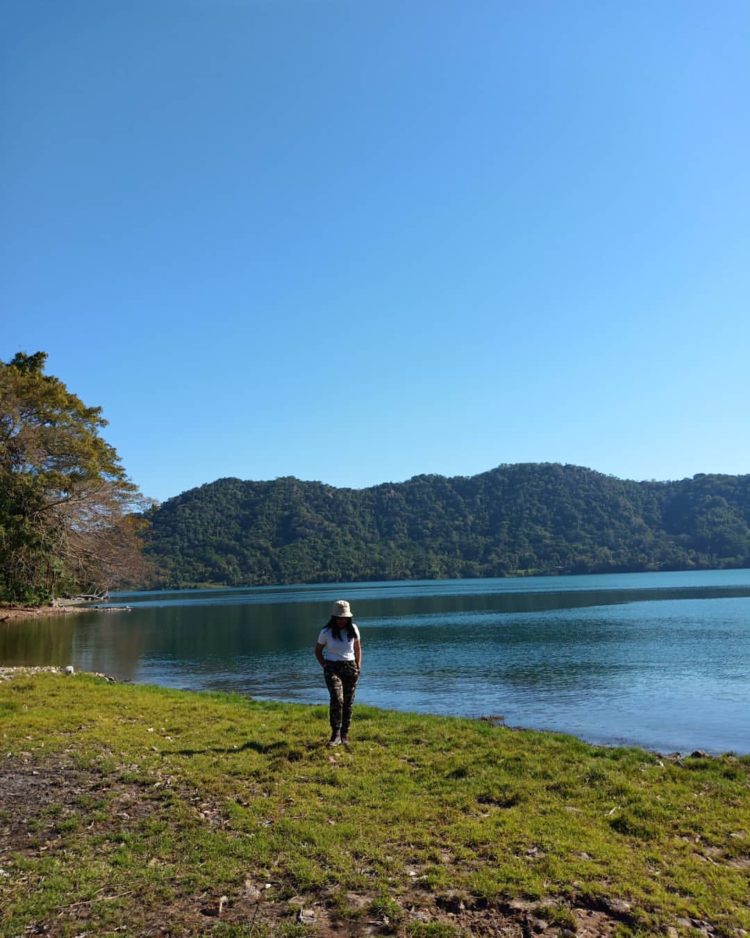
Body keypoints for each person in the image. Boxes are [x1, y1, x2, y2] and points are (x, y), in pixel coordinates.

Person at [314, 599, 362, 746]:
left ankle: (345, 734)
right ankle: (335, 734)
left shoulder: (353, 629)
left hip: (350, 667)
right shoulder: (326, 632)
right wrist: (325, 667)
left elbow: (358, 649)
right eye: (340, 618)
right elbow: (318, 651)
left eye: (345, 618)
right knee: (336, 699)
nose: (342, 620)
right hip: (332, 667)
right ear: (334, 617)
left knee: (348, 702)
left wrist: (358, 667)